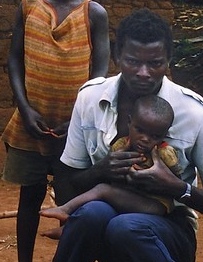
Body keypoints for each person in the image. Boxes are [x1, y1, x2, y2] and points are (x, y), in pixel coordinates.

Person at [6, 9, 203, 262]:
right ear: (116, 57)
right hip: (97, 228)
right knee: (95, 214)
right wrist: (102, 171)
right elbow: (68, 185)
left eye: (155, 63)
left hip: (166, 234)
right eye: (132, 61)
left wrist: (175, 188)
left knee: (126, 227)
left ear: (168, 61)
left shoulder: (193, 113)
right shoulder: (90, 99)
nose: (143, 73)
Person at [0, 0, 110, 262]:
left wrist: (77, 118)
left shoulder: (94, 14)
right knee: (28, 200)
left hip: (75, 131)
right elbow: (13, 59)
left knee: (70, 204)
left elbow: (100, 75)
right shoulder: (28, 8)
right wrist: (24, 108)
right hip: (31, 125)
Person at [40, 93, 179, 235]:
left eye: (154, 136)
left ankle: (66, 210)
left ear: (164, 135)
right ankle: (70, 228)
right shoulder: (121, 145)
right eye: (140, 130)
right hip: (129, 196)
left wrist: (156, 175)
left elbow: (176, 180)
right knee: (99, 204)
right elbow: (111, 169)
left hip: (154, 204)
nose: (145, 139)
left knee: (103, 190)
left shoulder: (164, 153)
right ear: (130, 123)